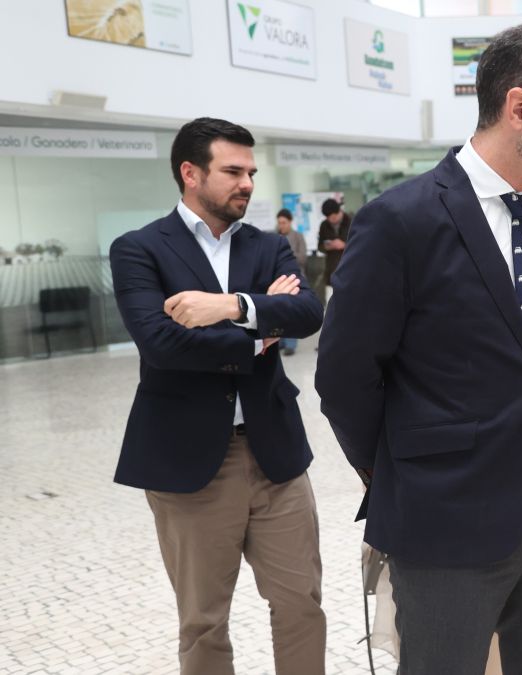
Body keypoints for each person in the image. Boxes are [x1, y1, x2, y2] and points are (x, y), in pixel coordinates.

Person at [315, 23, 522, 674]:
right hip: (441, 516)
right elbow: (344, 374)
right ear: (520, 106)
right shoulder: (402, 219)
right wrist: (399, 470)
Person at [108, 117, 326, 675]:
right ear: (190, 173)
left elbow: (307, 313)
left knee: (301, 603)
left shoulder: (269, 245)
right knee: (204, 621)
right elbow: (162, 345)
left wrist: (229, 307)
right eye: (233, 171)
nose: (247, 183)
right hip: (189, 464)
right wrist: (260, 330)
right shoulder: (139, 249)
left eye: (250, 172)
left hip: (275, 454)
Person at [276, 208, 307, 355]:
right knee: (278, 312)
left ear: (290, 222)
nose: (281, 225)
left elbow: (303, 258)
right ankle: (280, 341)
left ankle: (291, 344)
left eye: (284, 222)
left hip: (295, 279)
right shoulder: (274, 238)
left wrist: (286, 254)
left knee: (291, 313)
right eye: (279, 223)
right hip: (278, 280)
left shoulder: (298, 236)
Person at [316, 197, 352, 307]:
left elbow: (362, 244)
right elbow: (320, 246)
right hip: (331, 271)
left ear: (339, 211)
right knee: (332, 305)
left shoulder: (351, 221)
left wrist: (344, 245)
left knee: (350, 305)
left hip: (350, 269)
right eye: (328, 218)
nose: (331, 220)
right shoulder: (324, 225)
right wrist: (328, 246)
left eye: (333, 217)